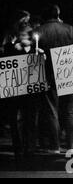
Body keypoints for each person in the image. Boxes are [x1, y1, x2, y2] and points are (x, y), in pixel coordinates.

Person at [35, 4, 73, 153]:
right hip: (68, 73)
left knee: (51, 111)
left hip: (47, 74)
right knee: (69, 111)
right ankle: (72, 145)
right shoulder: (70, 29)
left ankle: (55, 146)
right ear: (58, 14)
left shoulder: (38, 31)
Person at [2, 22, 42, 160]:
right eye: (23, 34)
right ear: (19, 35)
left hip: (31, 93)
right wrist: (13, 49)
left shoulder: (37, 50)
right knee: (17, 120)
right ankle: (18, 148)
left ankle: (30, 148)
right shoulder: (10, 48)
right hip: (16, 93)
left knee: (31, 120)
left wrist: (42, 57)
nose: (25, 38)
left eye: (28, 35)